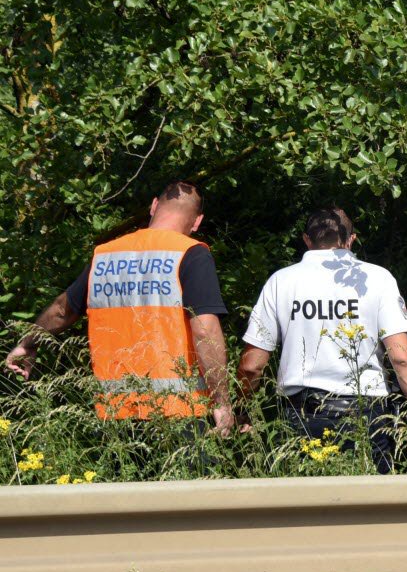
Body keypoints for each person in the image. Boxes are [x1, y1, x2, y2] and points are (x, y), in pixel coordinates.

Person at [4, 180, 235, 435]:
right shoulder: (190, 254)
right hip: (178, 412)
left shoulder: (105, 255)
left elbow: (61, 310)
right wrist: (221, 402)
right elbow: (204, 330)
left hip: (116, 415)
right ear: (197, 222)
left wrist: (27, 343)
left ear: (154, 206)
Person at [237, 207, 407, 472]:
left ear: (307, 240)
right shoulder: (377, 279)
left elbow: (252, 365)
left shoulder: (281, 282)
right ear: (351, 240)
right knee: (368, 507)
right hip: (367, 416)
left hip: (300, 416)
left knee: (305, 508)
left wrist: (240, 410)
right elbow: (401, 357)